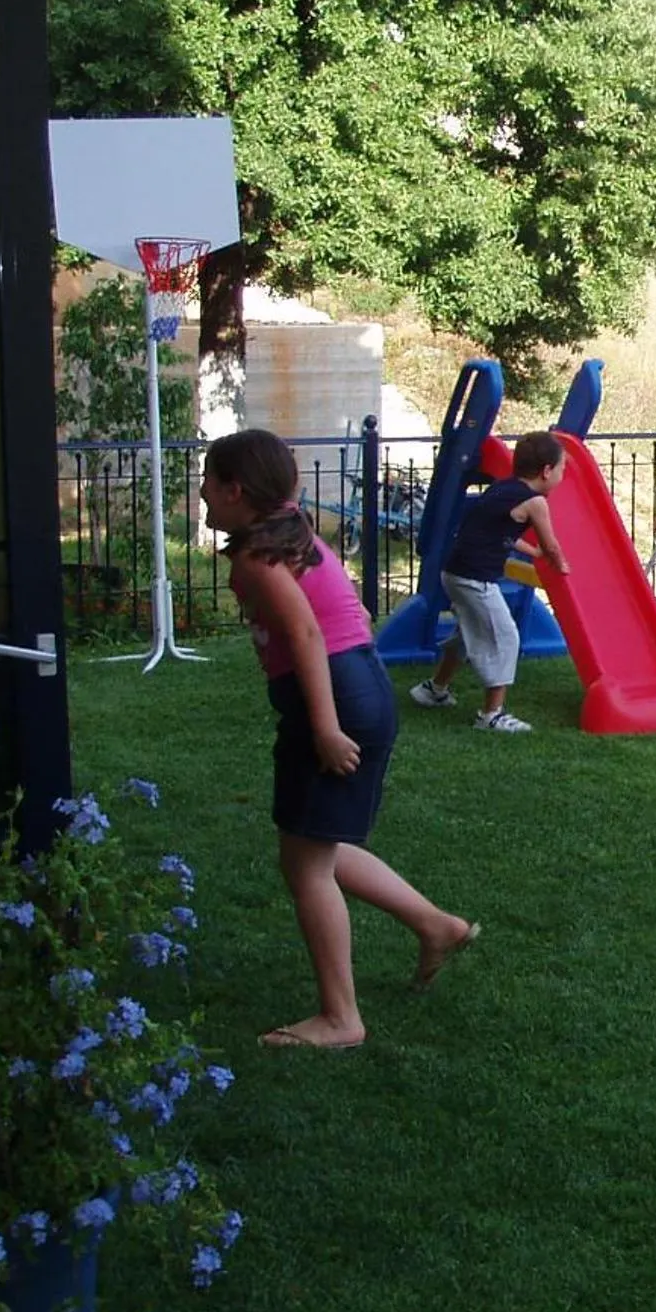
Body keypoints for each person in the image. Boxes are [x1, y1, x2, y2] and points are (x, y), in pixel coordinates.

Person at [200, 429, 477, 1050]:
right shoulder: (290, 530)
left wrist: (324, 726)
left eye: (208, 484)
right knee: (319, 842)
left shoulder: (257, 556)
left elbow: (303, 634)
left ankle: (340, 1019)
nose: (202, 495)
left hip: (336, 699)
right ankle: (435, 925)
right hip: (365, 689)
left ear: (235, 490)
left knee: (305, 866)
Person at [408, 430, 572, 733]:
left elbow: (500, 534)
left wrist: (531, 550)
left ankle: (434, 689)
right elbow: (552, 546)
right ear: (547, 470)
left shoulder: (503, 489)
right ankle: (491, 715)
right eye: (563, 469)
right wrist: (561, 565)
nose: (564, 476)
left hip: (455, 573)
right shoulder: (536, 502)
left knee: (467, 634)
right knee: (505, 637)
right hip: (474, 579)